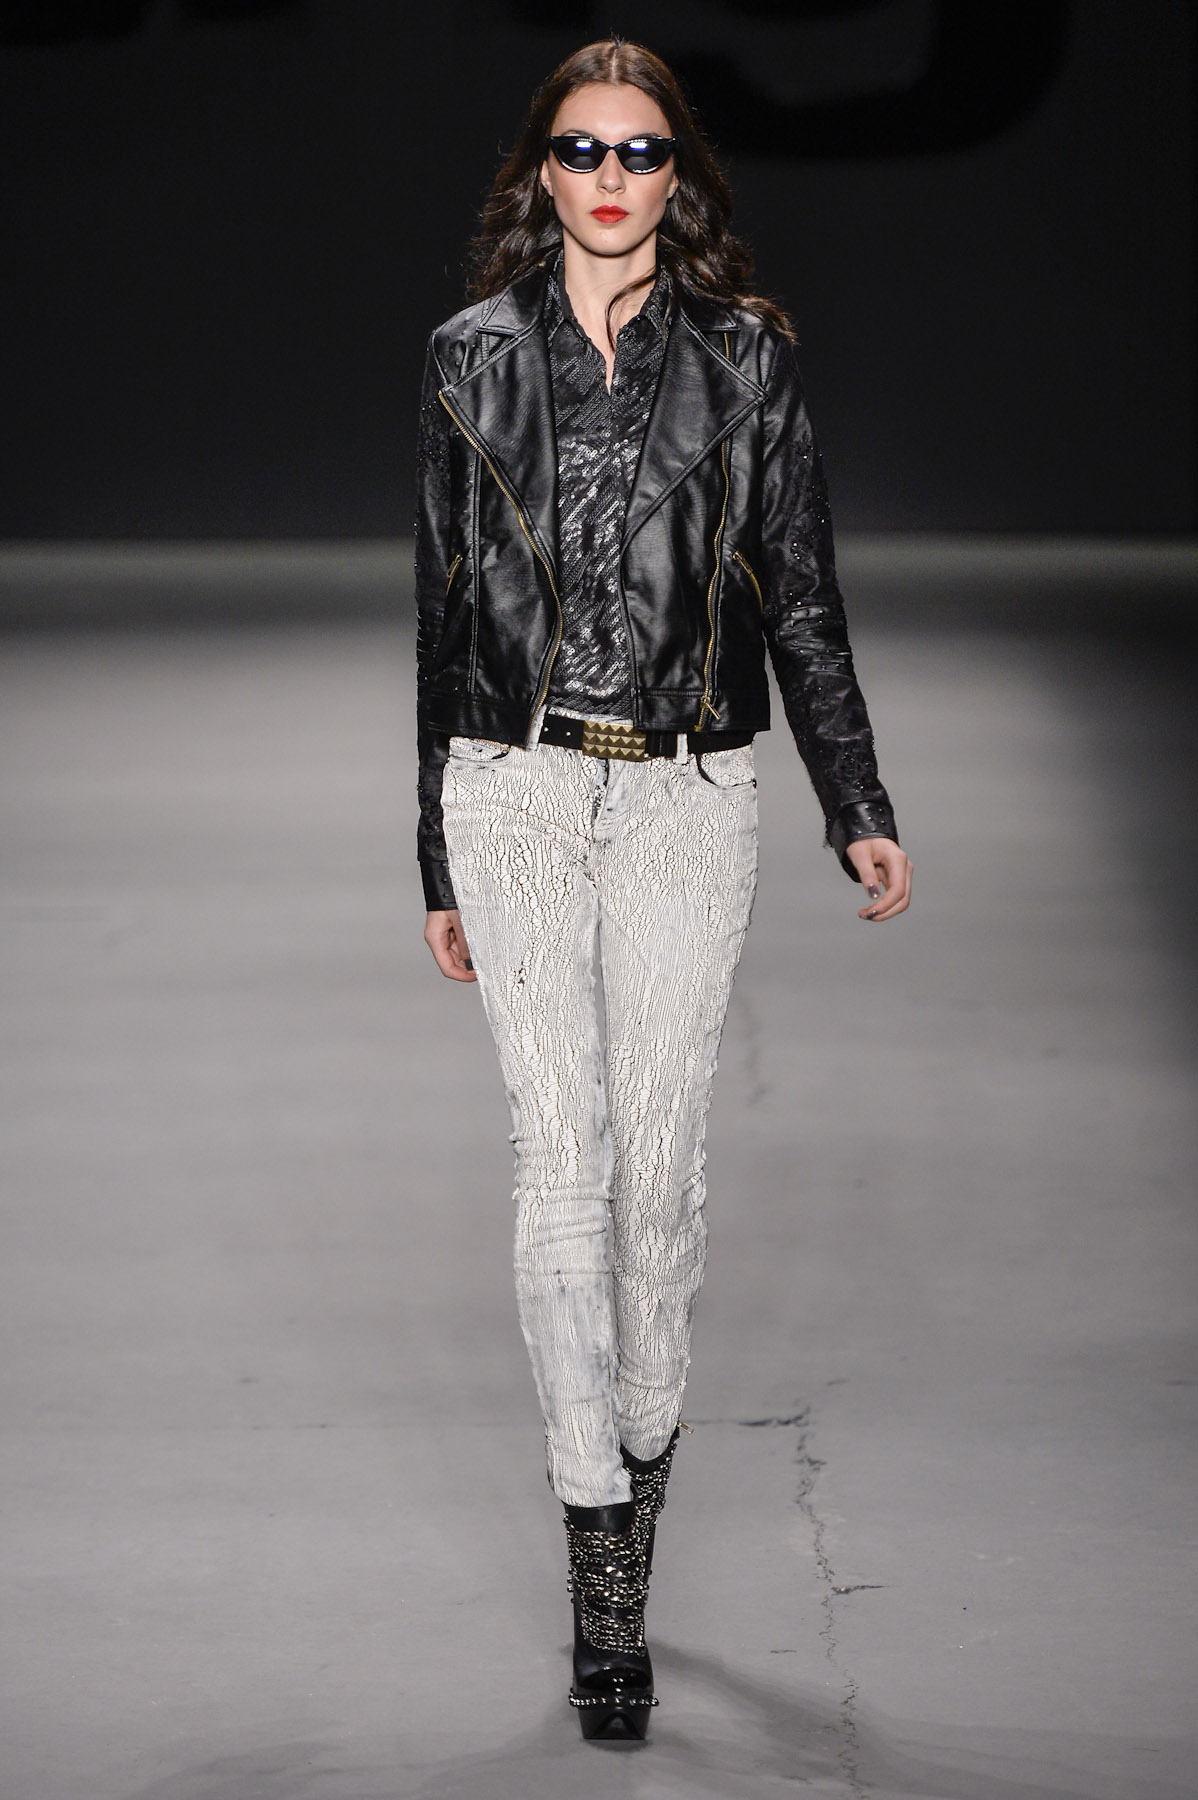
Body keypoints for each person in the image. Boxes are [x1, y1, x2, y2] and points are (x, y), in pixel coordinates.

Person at [414, 37, 911, 1741]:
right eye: (581, 148)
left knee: (658, 1193)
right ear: (539, 172)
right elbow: (443, 606)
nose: (611, 177)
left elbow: (802, 594)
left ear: (678, 176)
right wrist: (434, 845)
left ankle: (631, 1482)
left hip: (691, 795)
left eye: (639, 151)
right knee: (561, 1171)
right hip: (514, 787)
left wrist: (853, 796)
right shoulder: (468, 356)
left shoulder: (747, 359)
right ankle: (602, 1587)